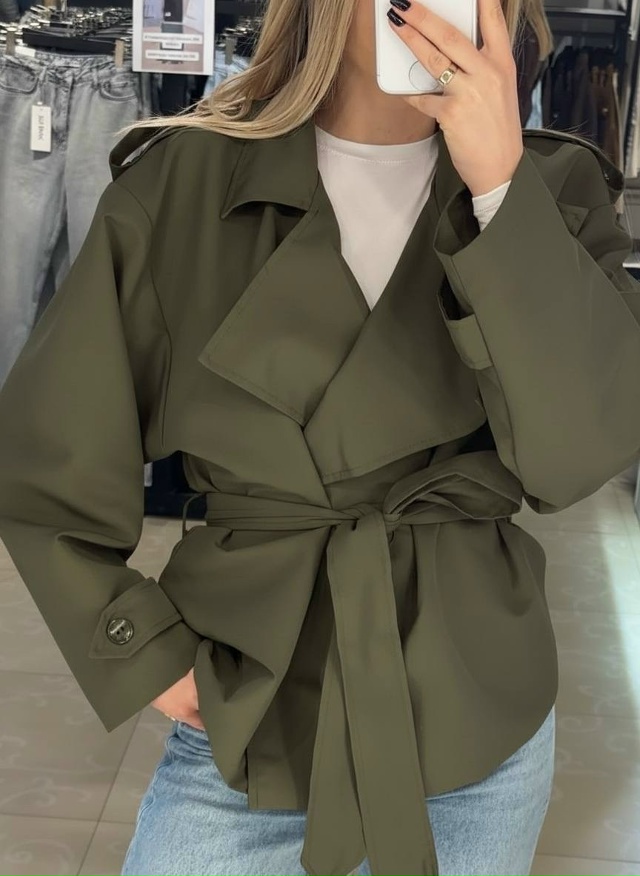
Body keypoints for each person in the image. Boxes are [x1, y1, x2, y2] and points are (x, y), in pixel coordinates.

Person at [0, 0, 639, 873]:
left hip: (474, 710)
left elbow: (581, 455)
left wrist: (499, 185)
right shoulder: (185, 182)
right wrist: (136, 649)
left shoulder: (557, 190)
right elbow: (46, 456)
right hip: (254, 700)